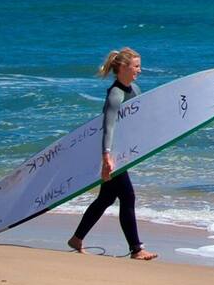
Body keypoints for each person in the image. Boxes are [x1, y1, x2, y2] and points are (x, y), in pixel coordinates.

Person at [67, 47, 159, 261]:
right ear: (124, 67)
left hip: (124, 154)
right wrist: (106, 157)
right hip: (113, 155)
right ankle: (136, 249)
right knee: (128, 197)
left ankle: (77, 238)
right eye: (136, 66)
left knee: (106, 198)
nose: (139, 70)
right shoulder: (115, 94)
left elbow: (143, 115)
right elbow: (108, 127)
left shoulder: (134, 89)